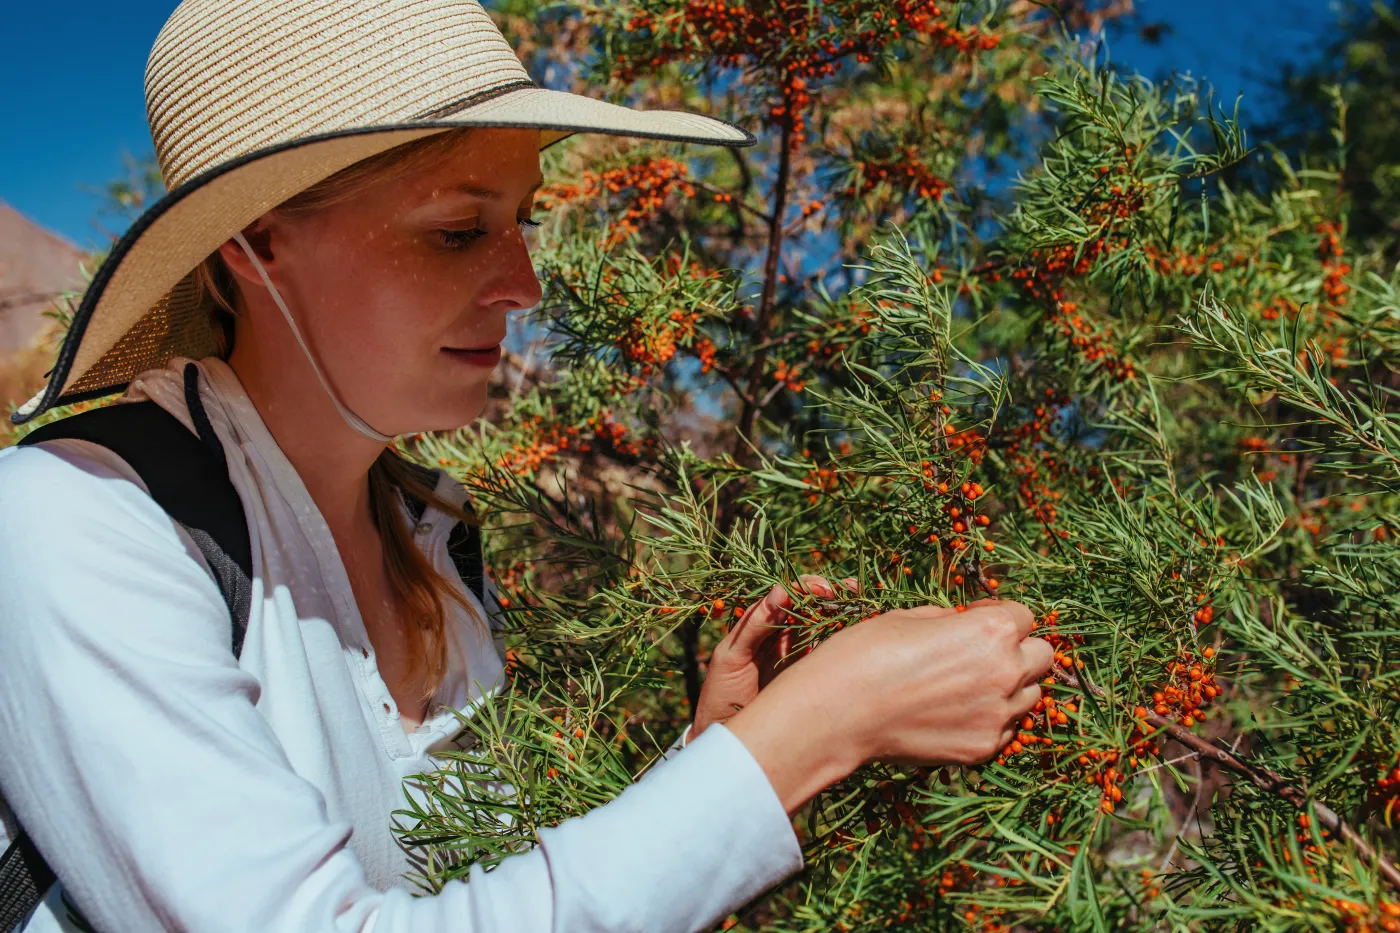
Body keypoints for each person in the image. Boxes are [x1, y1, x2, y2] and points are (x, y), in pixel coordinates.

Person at [0, 0, 1054, 930]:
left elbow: (471, 896)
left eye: (523, 222)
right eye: (460, 231)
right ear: (257, 247)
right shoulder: (73, 523)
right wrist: (813, 731)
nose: (526, 285)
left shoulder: (430, 542)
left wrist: (706, 757)